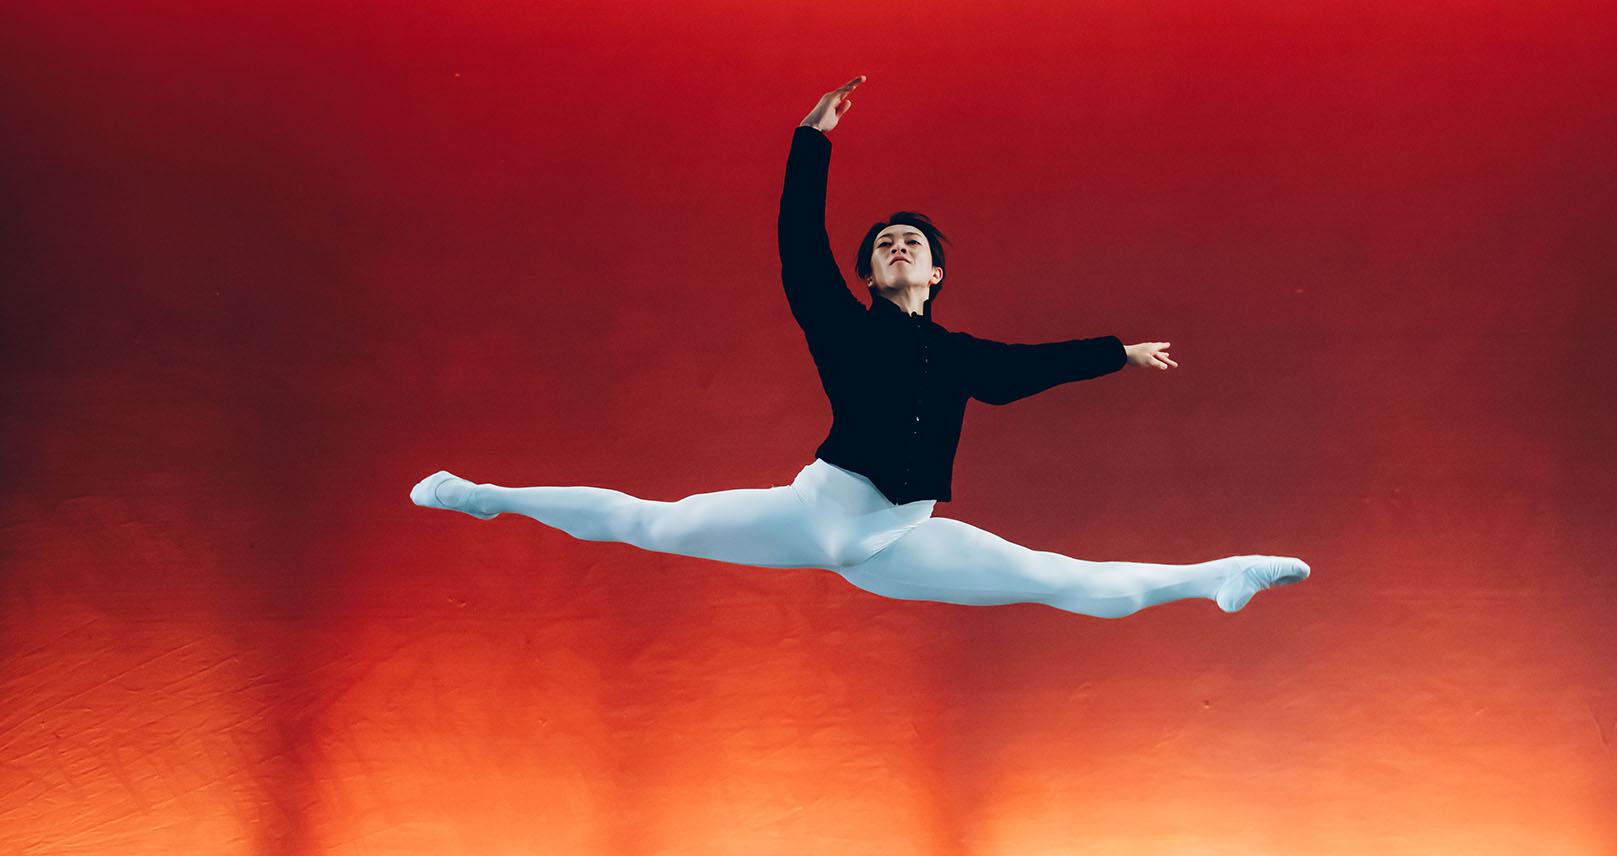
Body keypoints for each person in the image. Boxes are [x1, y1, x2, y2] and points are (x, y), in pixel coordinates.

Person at [411, 74, 1309, 618]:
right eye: (883, 244)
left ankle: (1218, 578)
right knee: (652, 523)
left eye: (913, 242)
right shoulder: (844, 324)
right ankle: (486, 496)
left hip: (896, 542)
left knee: (1059, 579)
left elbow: (1026, 367)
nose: (898, 246)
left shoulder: (958, 355)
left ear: (937, 274)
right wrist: (811, 144)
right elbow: (802, 251)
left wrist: (1117, 351)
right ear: (873, 278)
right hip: (819, 514)